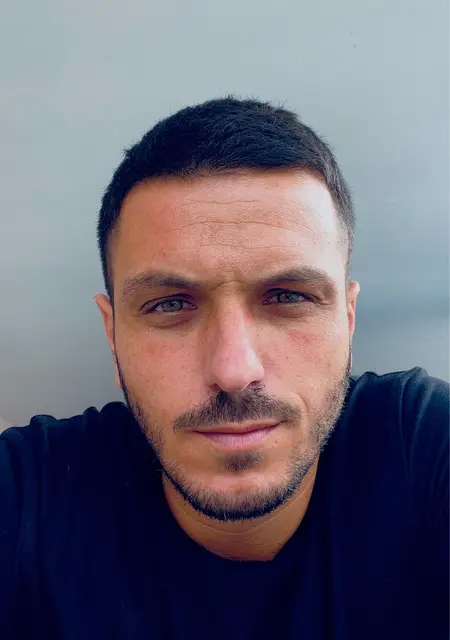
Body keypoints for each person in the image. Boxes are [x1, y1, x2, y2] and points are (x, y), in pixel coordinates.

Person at [0, 97, 448, 640]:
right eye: (170, 304)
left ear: (348, 321)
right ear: (112, 335)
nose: (235, 370)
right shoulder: (27, 490)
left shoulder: (423, 444)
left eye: (288, 296)